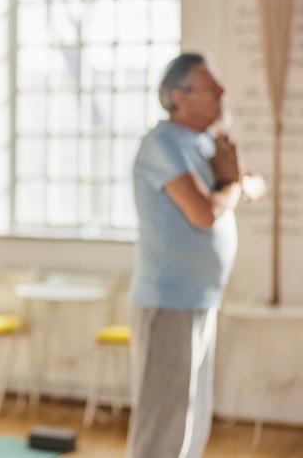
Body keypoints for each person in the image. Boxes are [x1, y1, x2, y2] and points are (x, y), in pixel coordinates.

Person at [128, 53, 264, 458]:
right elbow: (203, 212)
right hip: (168, 303)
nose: (223, 92)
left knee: (191, 421)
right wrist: (230, 182)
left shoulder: (205, 142)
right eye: (211, 85)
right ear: (179, 97)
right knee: (162, 428)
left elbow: (255, 186)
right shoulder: (161, 144)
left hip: (200, 301)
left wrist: (233, 181)